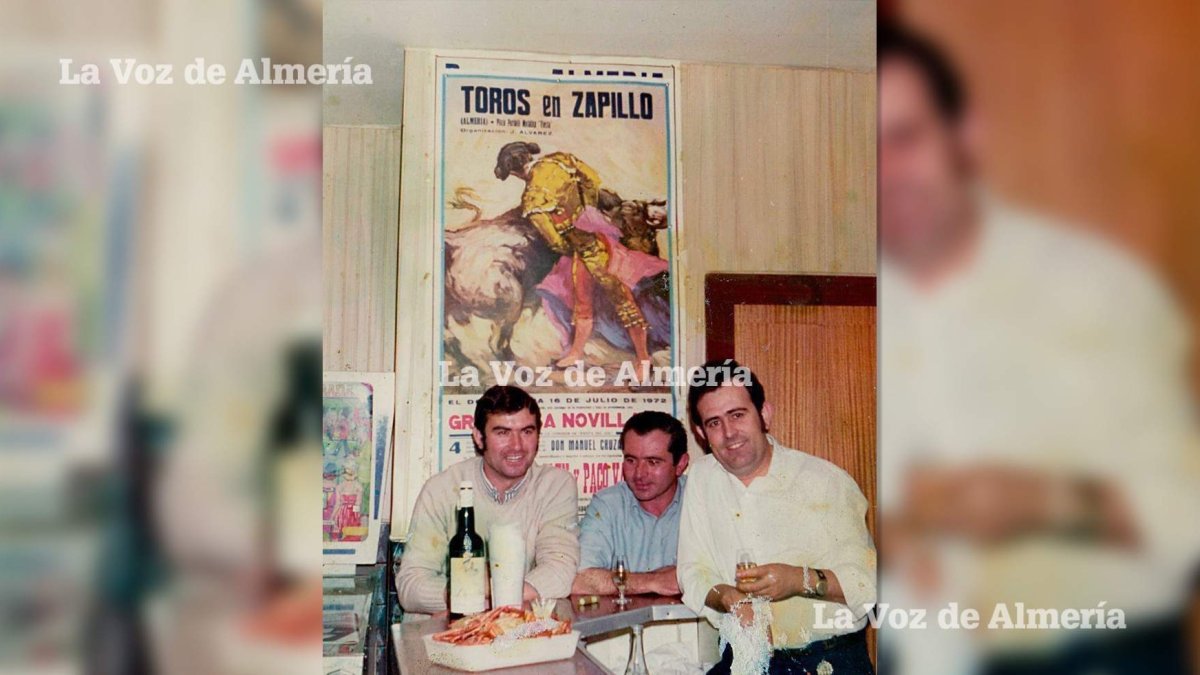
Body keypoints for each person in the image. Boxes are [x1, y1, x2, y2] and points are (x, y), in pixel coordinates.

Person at [879, 20, 1200, 675]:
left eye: (904, 139)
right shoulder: (887, 309)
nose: (885, 174)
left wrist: (1042, 502)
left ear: (964, 136)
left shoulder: (1093, 288)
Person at [677, 359, 877, 674]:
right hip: (746, 658)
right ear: (701, 433)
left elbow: (867, 585)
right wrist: (730, 598)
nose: (729, 433)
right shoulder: (702, 478)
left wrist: (798, 580)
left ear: (765, 415)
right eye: (714, 423)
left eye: (738, 415)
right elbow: (692, 571)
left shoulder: (825, 481)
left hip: (826, 660)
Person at [396, 385, 580, 617]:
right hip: (450, 640)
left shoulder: (555, 485)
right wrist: (472, 598)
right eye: (502, 433)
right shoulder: (442, 488)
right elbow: (410, 587)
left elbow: (560, 571)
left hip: (522, 634)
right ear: (479, 437)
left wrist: (478, 592)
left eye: (526, 431)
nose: (517, 446)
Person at [494, 141, 669, 370]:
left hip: (583, 249)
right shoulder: (562, 159)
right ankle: (577, 352)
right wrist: (587, 216)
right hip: (601, 236)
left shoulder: (532, 199)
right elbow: (592, 181)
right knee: (593, 299)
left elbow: (554, 241)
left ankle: (643, 358)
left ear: (515, 172)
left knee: (613, 299)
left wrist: (573, 242)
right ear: (529, 154)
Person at [572, 411, 689, 596]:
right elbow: (580, 579)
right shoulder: (608, 505)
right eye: (631, 460)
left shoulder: (702, 499)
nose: (639, 474)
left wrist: (620, 582)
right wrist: (652, 581)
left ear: (681, 464)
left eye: (653, 462)